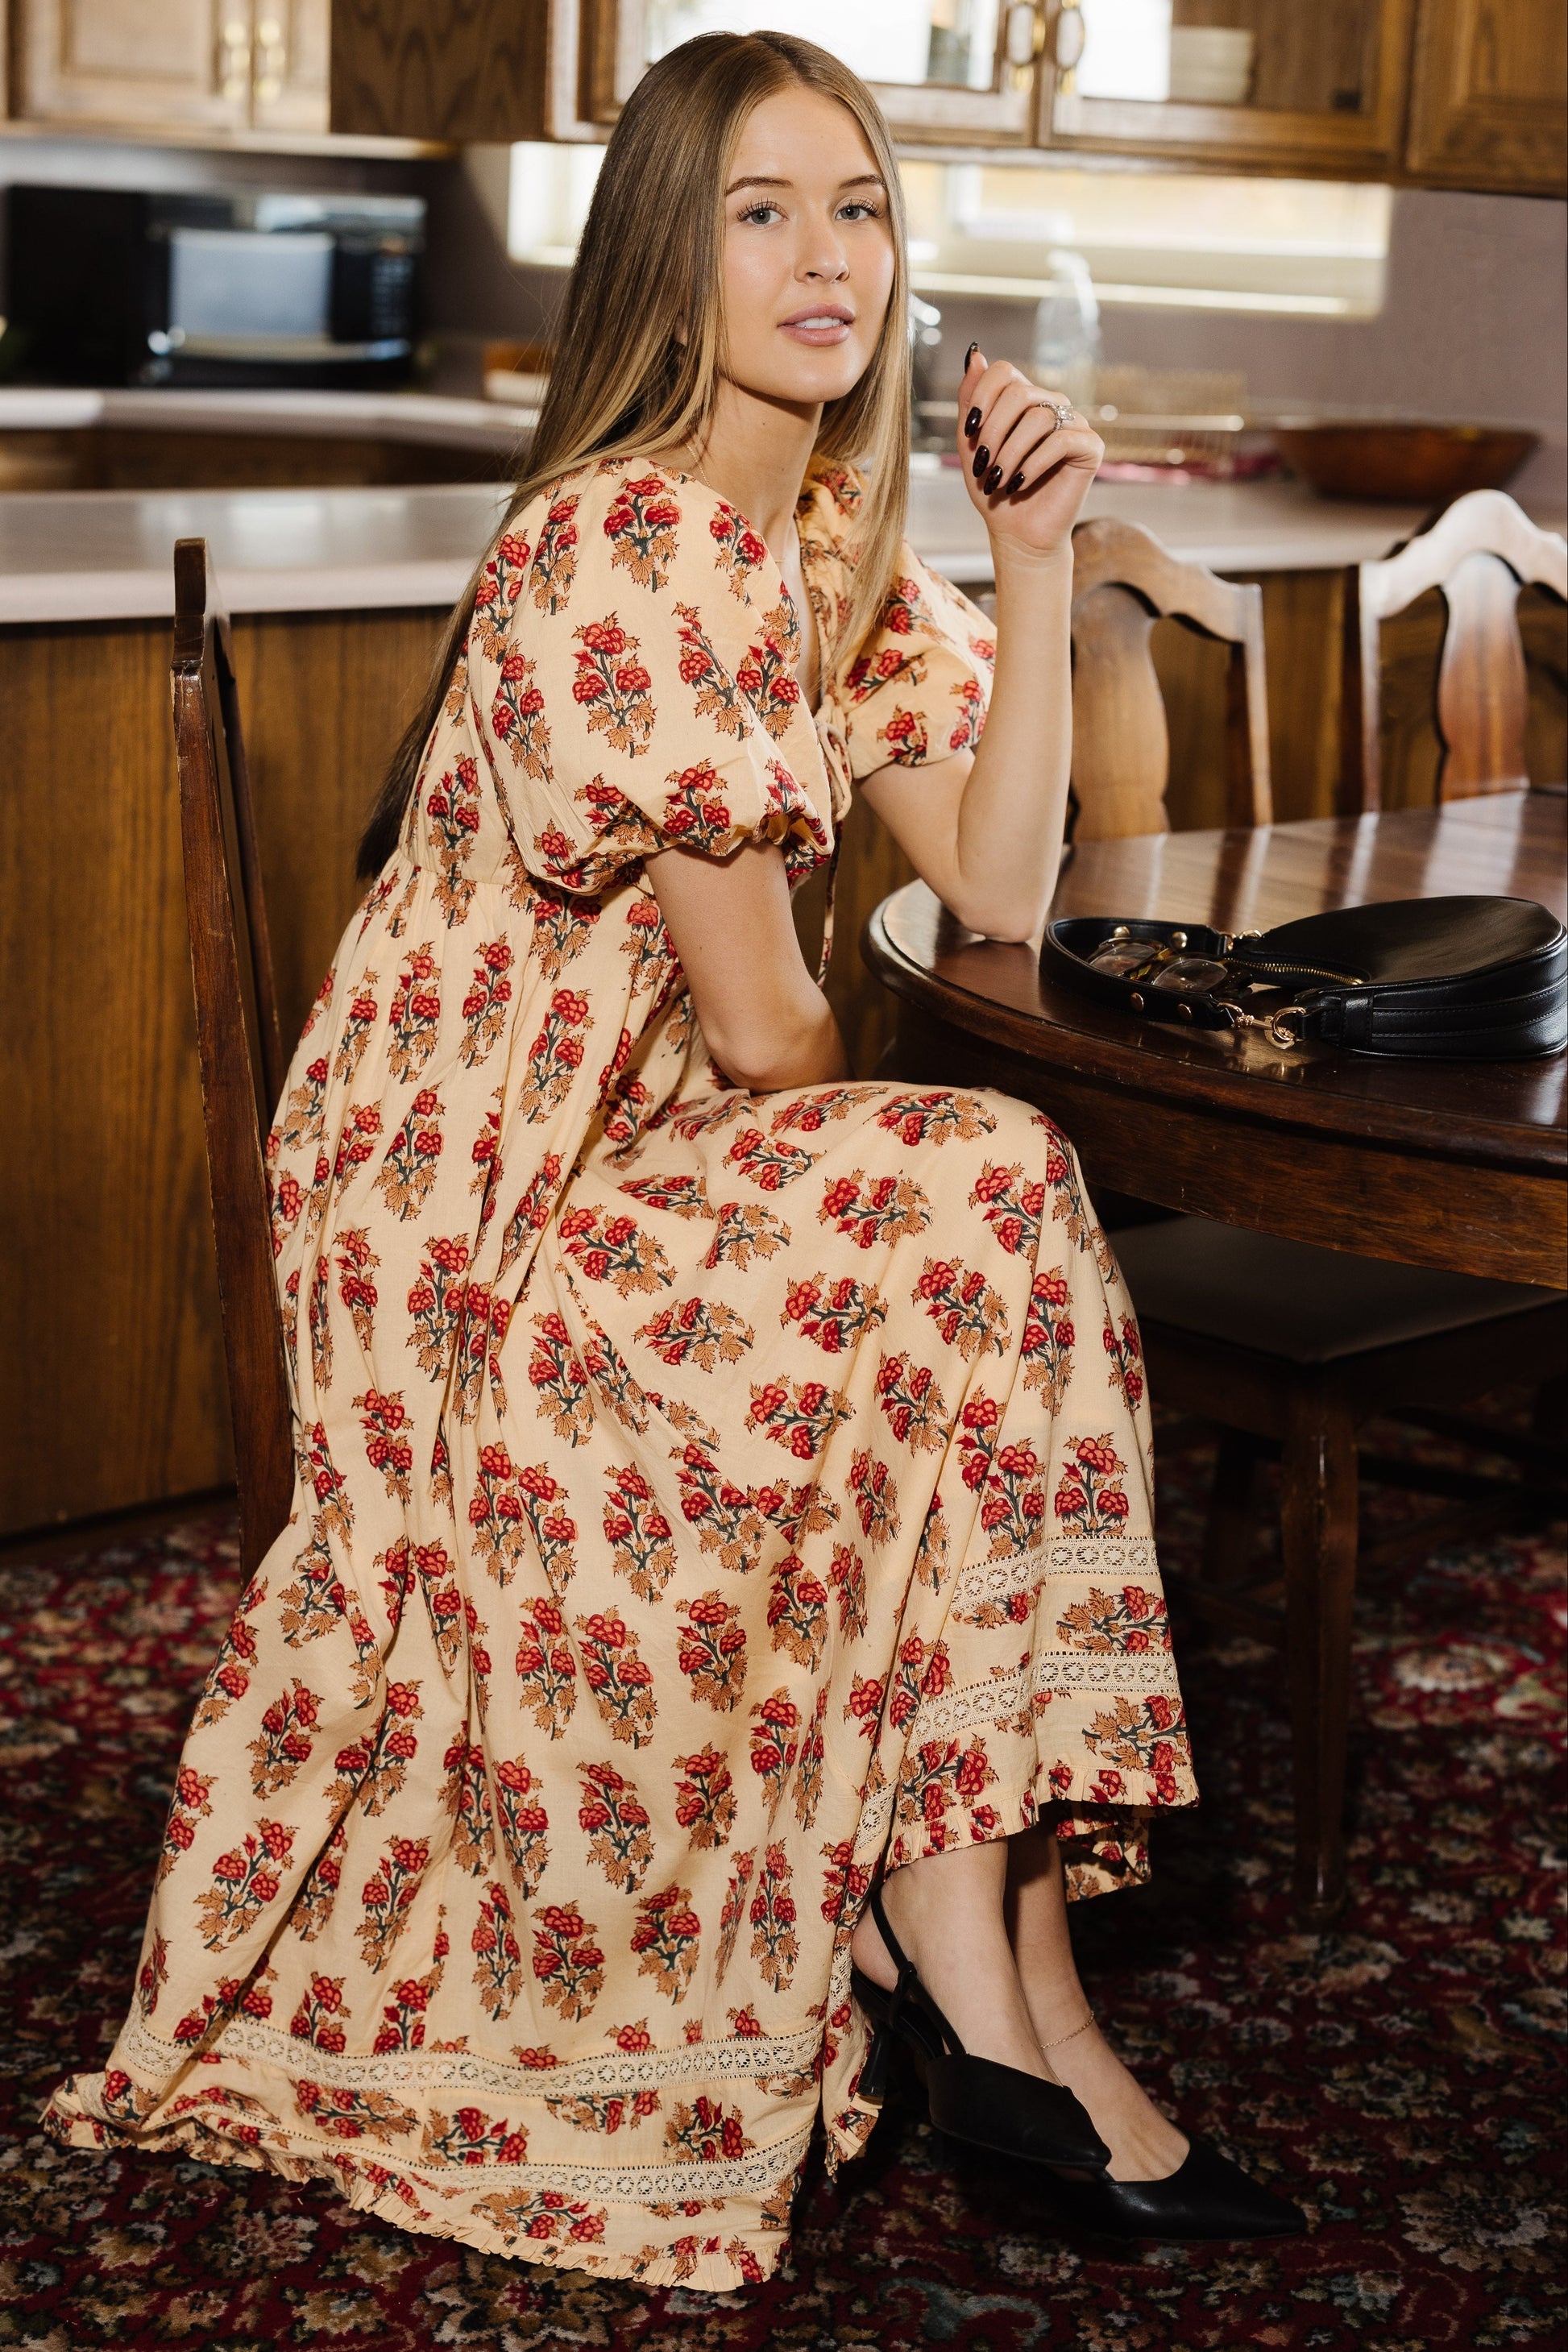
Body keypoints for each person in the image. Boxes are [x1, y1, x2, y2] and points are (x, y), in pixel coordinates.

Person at [44, 30, 1303, 2291]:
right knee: (972, 1191)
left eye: (858, 207)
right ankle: (995, 1978)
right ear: (665, 251)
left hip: (641, 1164)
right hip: (469, 1218)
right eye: (760, 210)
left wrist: (1024, 564)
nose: (825, 256)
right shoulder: (637, 535)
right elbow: (772, 1025)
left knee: (976, 1196)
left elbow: (997, 907)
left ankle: (991, 1977)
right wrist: (842, 1108)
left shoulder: (818, 545)